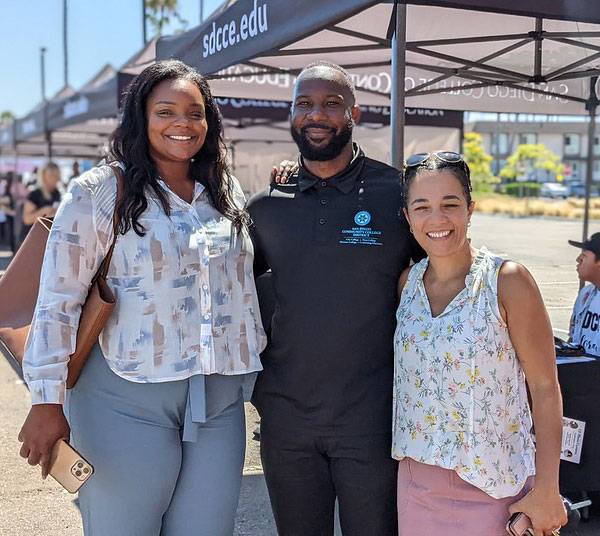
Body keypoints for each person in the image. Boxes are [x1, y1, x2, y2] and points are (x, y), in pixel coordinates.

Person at [18, 60, 266, 535]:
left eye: (195, 113)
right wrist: (46, 402)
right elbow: (58, 300)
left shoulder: (224, 191)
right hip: (124, 397)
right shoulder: (99, 192)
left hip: (217, 402)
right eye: (166, 111)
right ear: (141, 117)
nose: (182, 124)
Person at [247, 61, 423, 536]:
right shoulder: (265, 207)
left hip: (373, 418)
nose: (315, 114)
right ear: (291, 114)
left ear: (354, 113)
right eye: (303, 103)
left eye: (330, 103)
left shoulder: (397, 195)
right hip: (287, 421)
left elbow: (443, 277)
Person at [393, 152, 567, 536]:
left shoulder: (508, 281)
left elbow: (544, 387)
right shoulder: (407, 285)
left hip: (495, 490)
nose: (436, 220)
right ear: (407, 217)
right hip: (417, 488)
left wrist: (548, 488)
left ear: (471, 208)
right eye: (421, 207)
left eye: (450, 205)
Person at [568, 232, 600, 356]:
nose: (578, 259)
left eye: (584, 255)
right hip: (583, 370)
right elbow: (573, 335)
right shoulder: (585, 294)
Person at [20, 162, 62, 241]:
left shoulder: (57, 193)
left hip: (47, 239)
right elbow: (26, 219)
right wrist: (43, 211)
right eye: (52, 175)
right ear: (44, 176)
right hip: (31, 239)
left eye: (57, 175)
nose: (55, 178)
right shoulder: (35, 194)